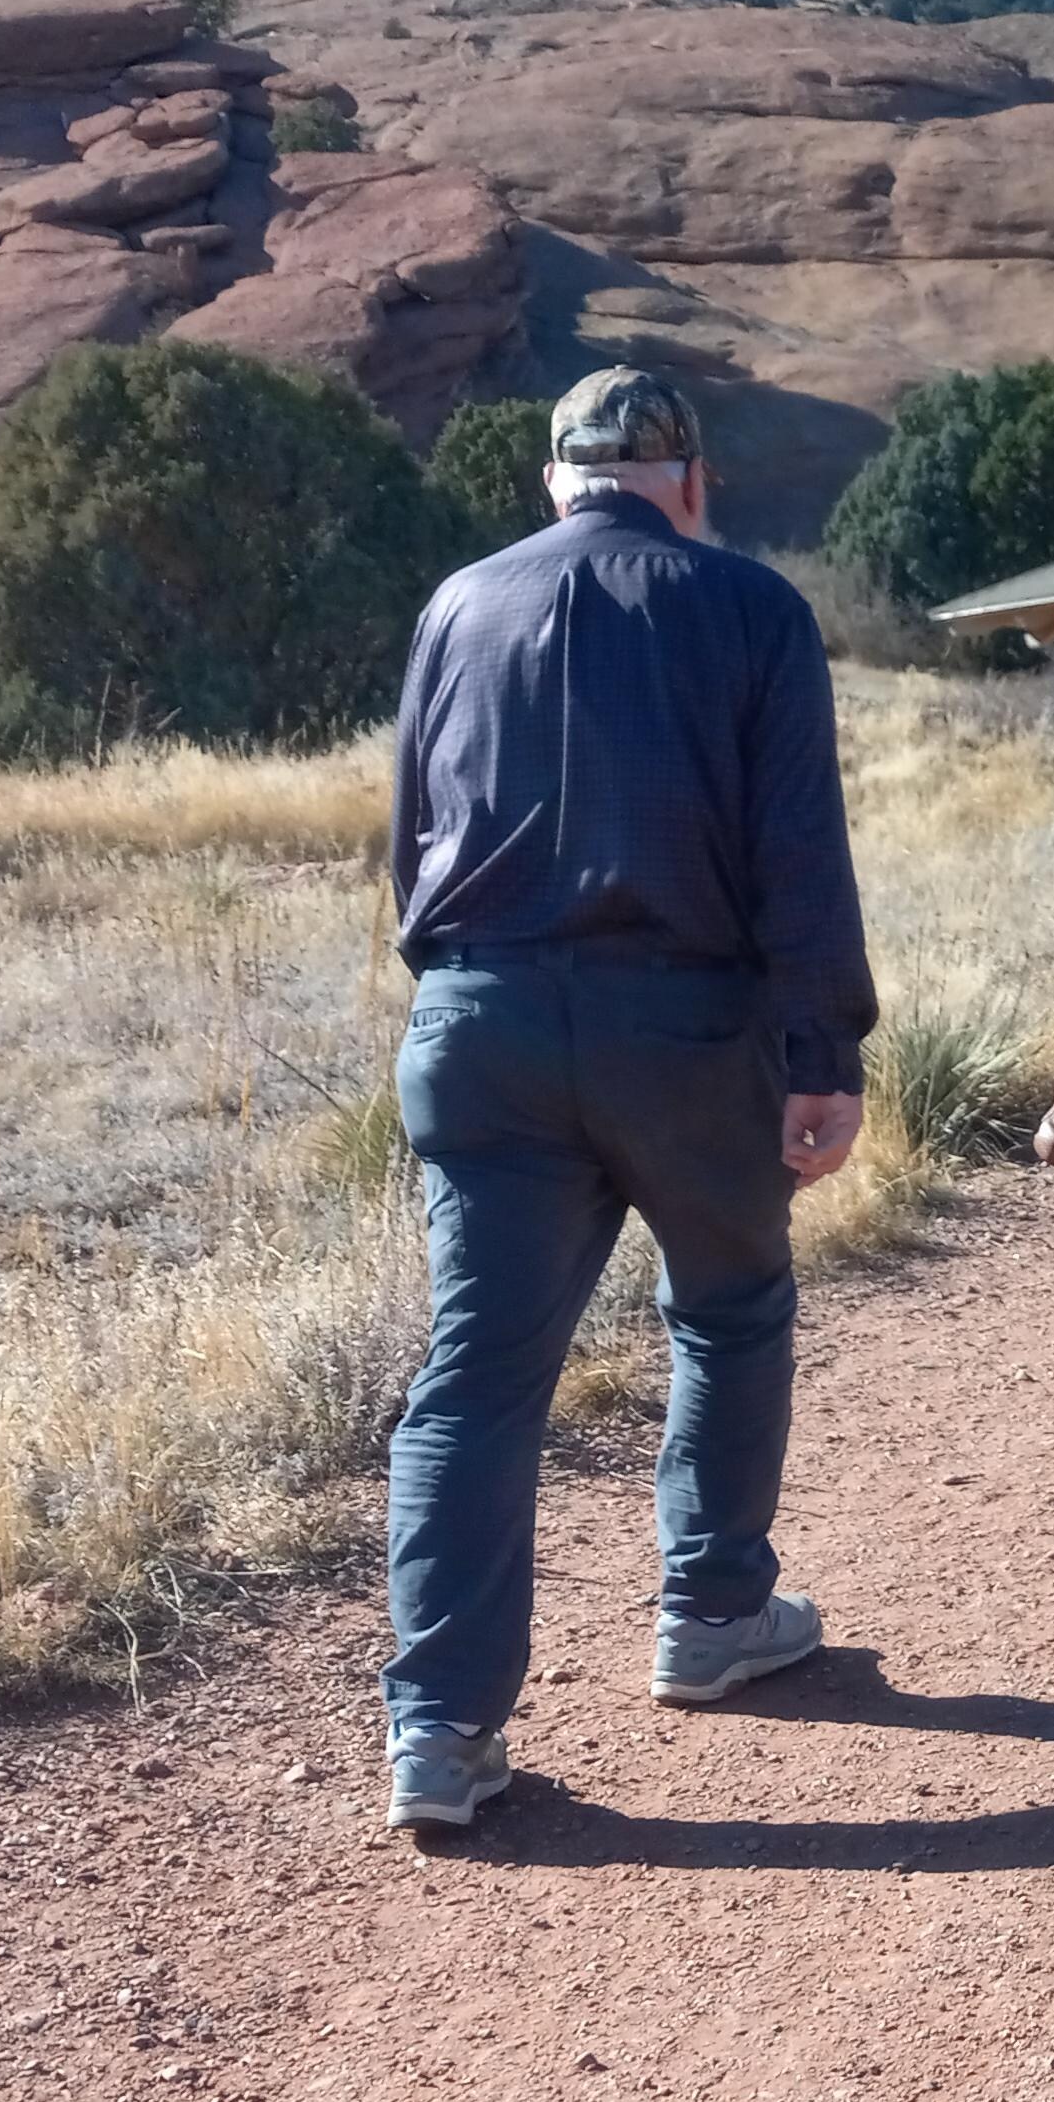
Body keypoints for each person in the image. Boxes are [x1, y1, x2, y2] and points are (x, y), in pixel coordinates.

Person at [374, 366, 876, 1835]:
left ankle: (440, 1735)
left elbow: (410, 835)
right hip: (684, 1020)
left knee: (478, 1376)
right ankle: (714, 1615)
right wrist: (823, 1050)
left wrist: (472, 985)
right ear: (690, 480)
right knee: (729, 1304)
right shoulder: (750, 609)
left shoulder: (459, 607)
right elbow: (800, 850)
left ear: (554, 481)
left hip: (480, 1018)